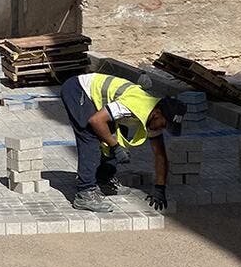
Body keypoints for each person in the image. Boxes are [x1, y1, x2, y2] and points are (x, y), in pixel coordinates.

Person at [60, 72, 187, 213]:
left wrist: (160, 188)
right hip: (79, 89)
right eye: (164, 124)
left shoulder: (154, 116)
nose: (162, 128)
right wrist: (115, 147)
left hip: (99, 102)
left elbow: (160, 155)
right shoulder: (134, 105)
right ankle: (85, 193)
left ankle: (103, 180)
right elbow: (96, 120)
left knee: (119, 135)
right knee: (90, 137)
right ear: (157, 114)